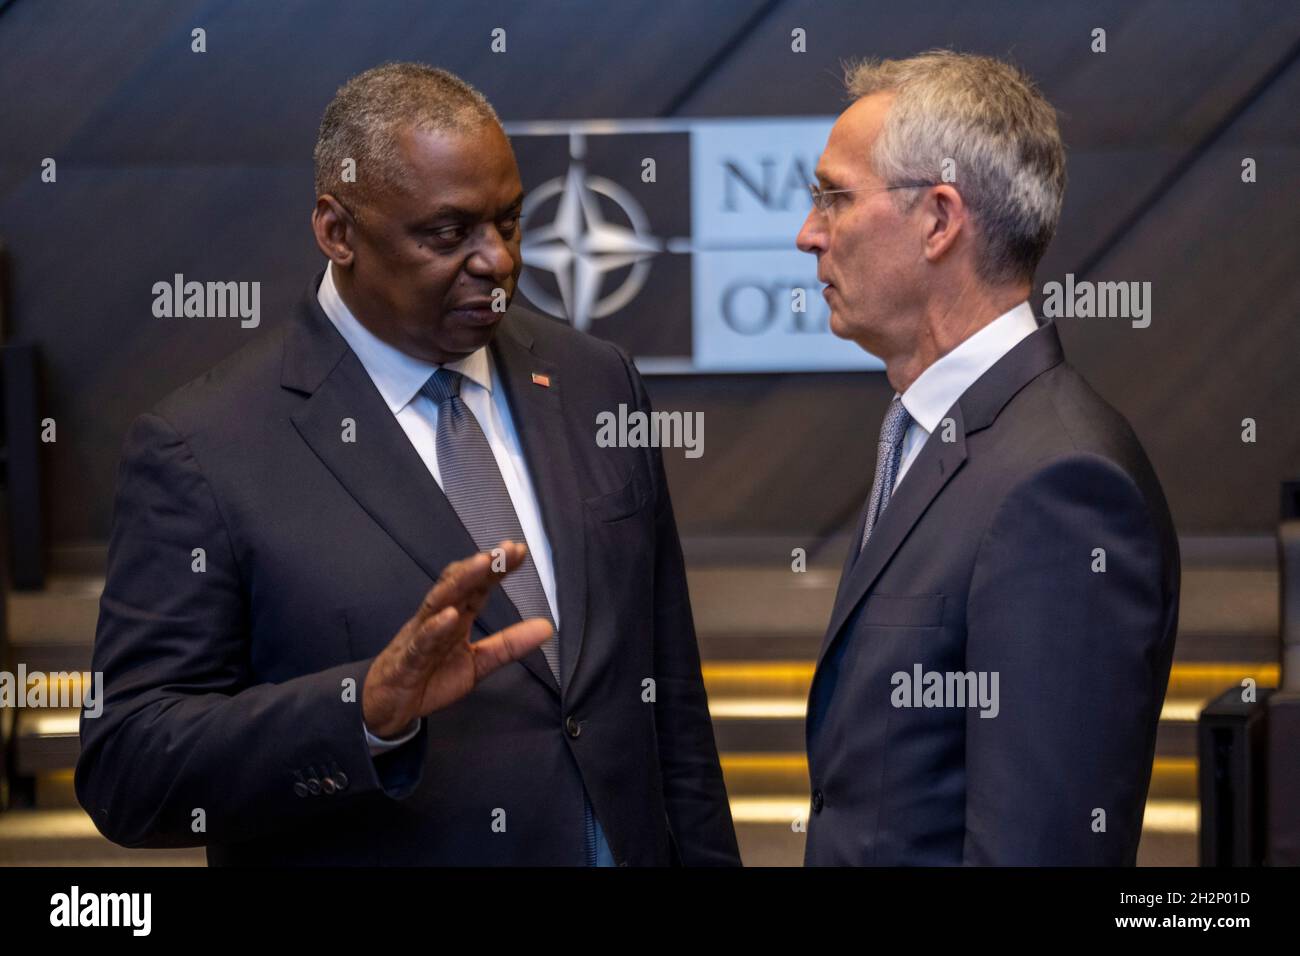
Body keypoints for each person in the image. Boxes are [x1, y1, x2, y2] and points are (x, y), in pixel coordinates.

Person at [75, 63, 740, 867]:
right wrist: (363, 712)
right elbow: (128, 769)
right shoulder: (204, 450)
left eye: (510, 222)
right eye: (448, 234)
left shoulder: (594, 380)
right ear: (338, 231)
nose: (496, 261)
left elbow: (669, 697)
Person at [796, 50, 1179, 865]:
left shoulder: (1063, 485)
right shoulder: (939, 431)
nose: (808, 234)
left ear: (939, 219)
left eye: (834, 197)